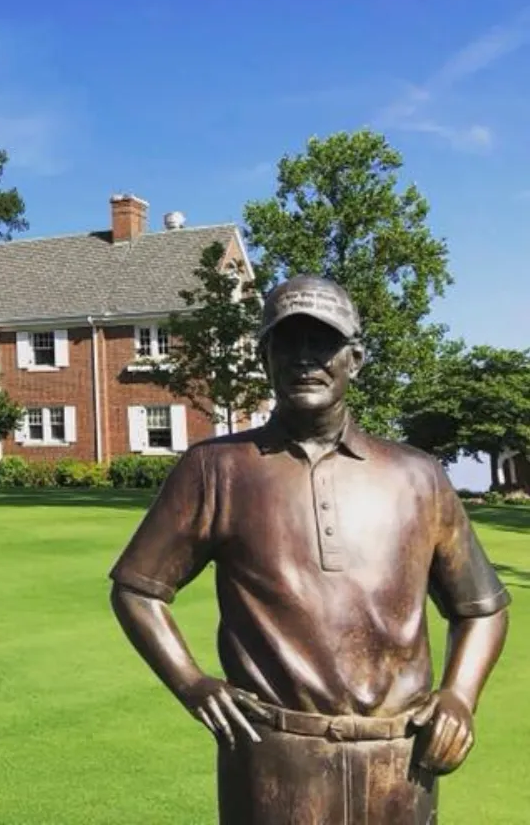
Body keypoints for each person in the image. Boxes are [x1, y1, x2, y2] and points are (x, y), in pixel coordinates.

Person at [108, 275, 510, 823]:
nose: (304, 358)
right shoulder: (217, 469)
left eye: (322, 343)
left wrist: (460, 695)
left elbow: (482, 607)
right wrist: (192, 683)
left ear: (356, 358)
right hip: (273, 761)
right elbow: (137, 588)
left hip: (400, 763)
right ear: (264, 356)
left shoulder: (418, 476)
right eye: (286, 342)